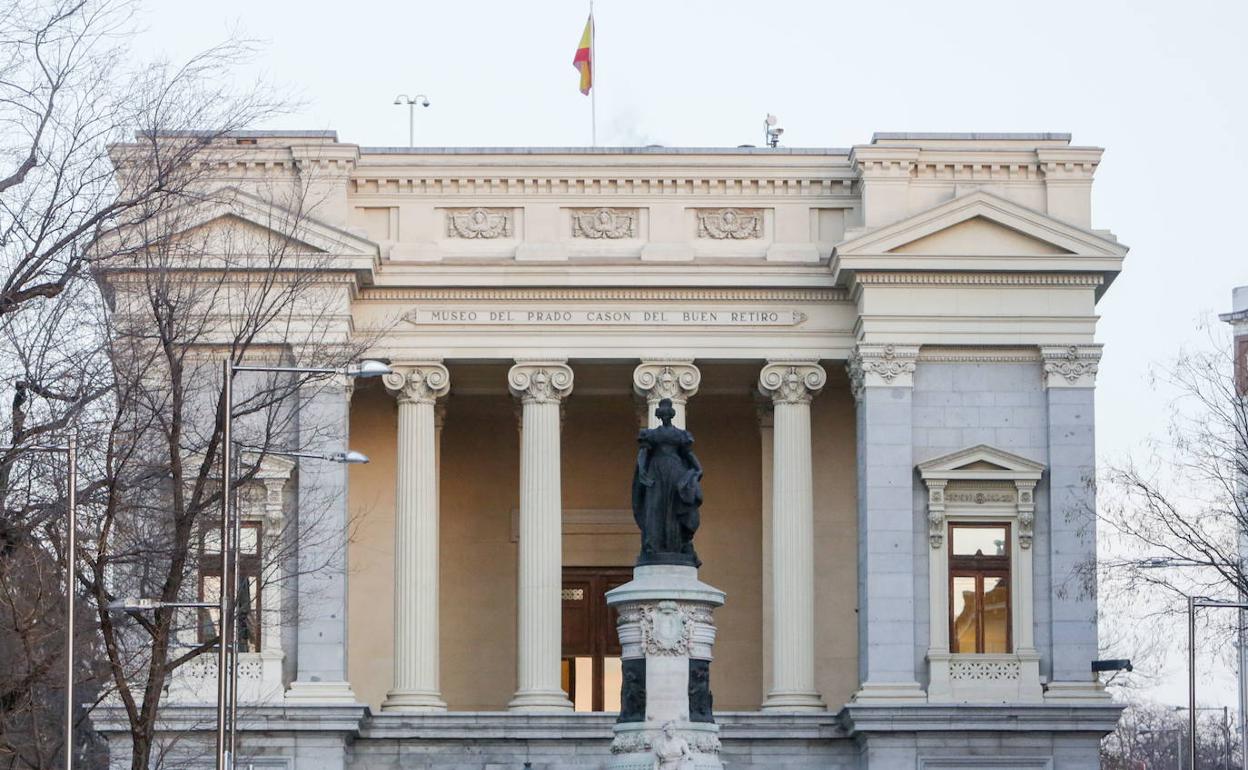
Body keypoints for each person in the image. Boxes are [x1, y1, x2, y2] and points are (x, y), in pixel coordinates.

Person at [631, 398, 704, 567]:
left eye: (667, 414)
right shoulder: (651, 434)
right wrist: (642, 471)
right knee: (654, 508)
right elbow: (643, 453)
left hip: (676, 472)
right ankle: (652, 546)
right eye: (662, 415)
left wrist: (698, 468)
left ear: (671, 415)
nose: (665, 417)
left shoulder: (680, 435)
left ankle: (675, 544)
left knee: (673, 508)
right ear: (659, 416)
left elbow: (688, 454)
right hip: (656, 473)